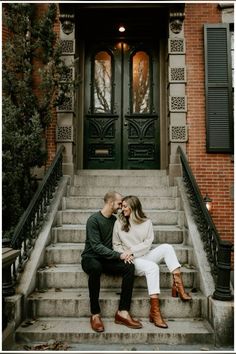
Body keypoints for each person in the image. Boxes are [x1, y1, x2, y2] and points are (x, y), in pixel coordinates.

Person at [112, 195, 192, 329]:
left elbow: (147, 244)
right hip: (131, 261)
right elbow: (115, 244)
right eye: (122, 206)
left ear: (133, 207)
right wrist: (125, 254)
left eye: (125, 206)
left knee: (167, 247)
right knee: (153, 268)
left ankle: (178, 285)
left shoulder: (146, 222)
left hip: (143, 254)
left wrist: (131, 250)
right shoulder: (118, 222)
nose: (122, 209)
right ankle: (155, 312)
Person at [81, 191, 142, 333]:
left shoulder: (116, 221)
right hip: (91, 258)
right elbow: (96, 247)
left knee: (129, 267)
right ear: (110, 203)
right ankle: (95, 314)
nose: (121, 206)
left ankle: (123, 312)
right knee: (95, 267)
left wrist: (127, 254)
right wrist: (119, 255)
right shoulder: (93, 220)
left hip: (108, 259)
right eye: (119, 203)